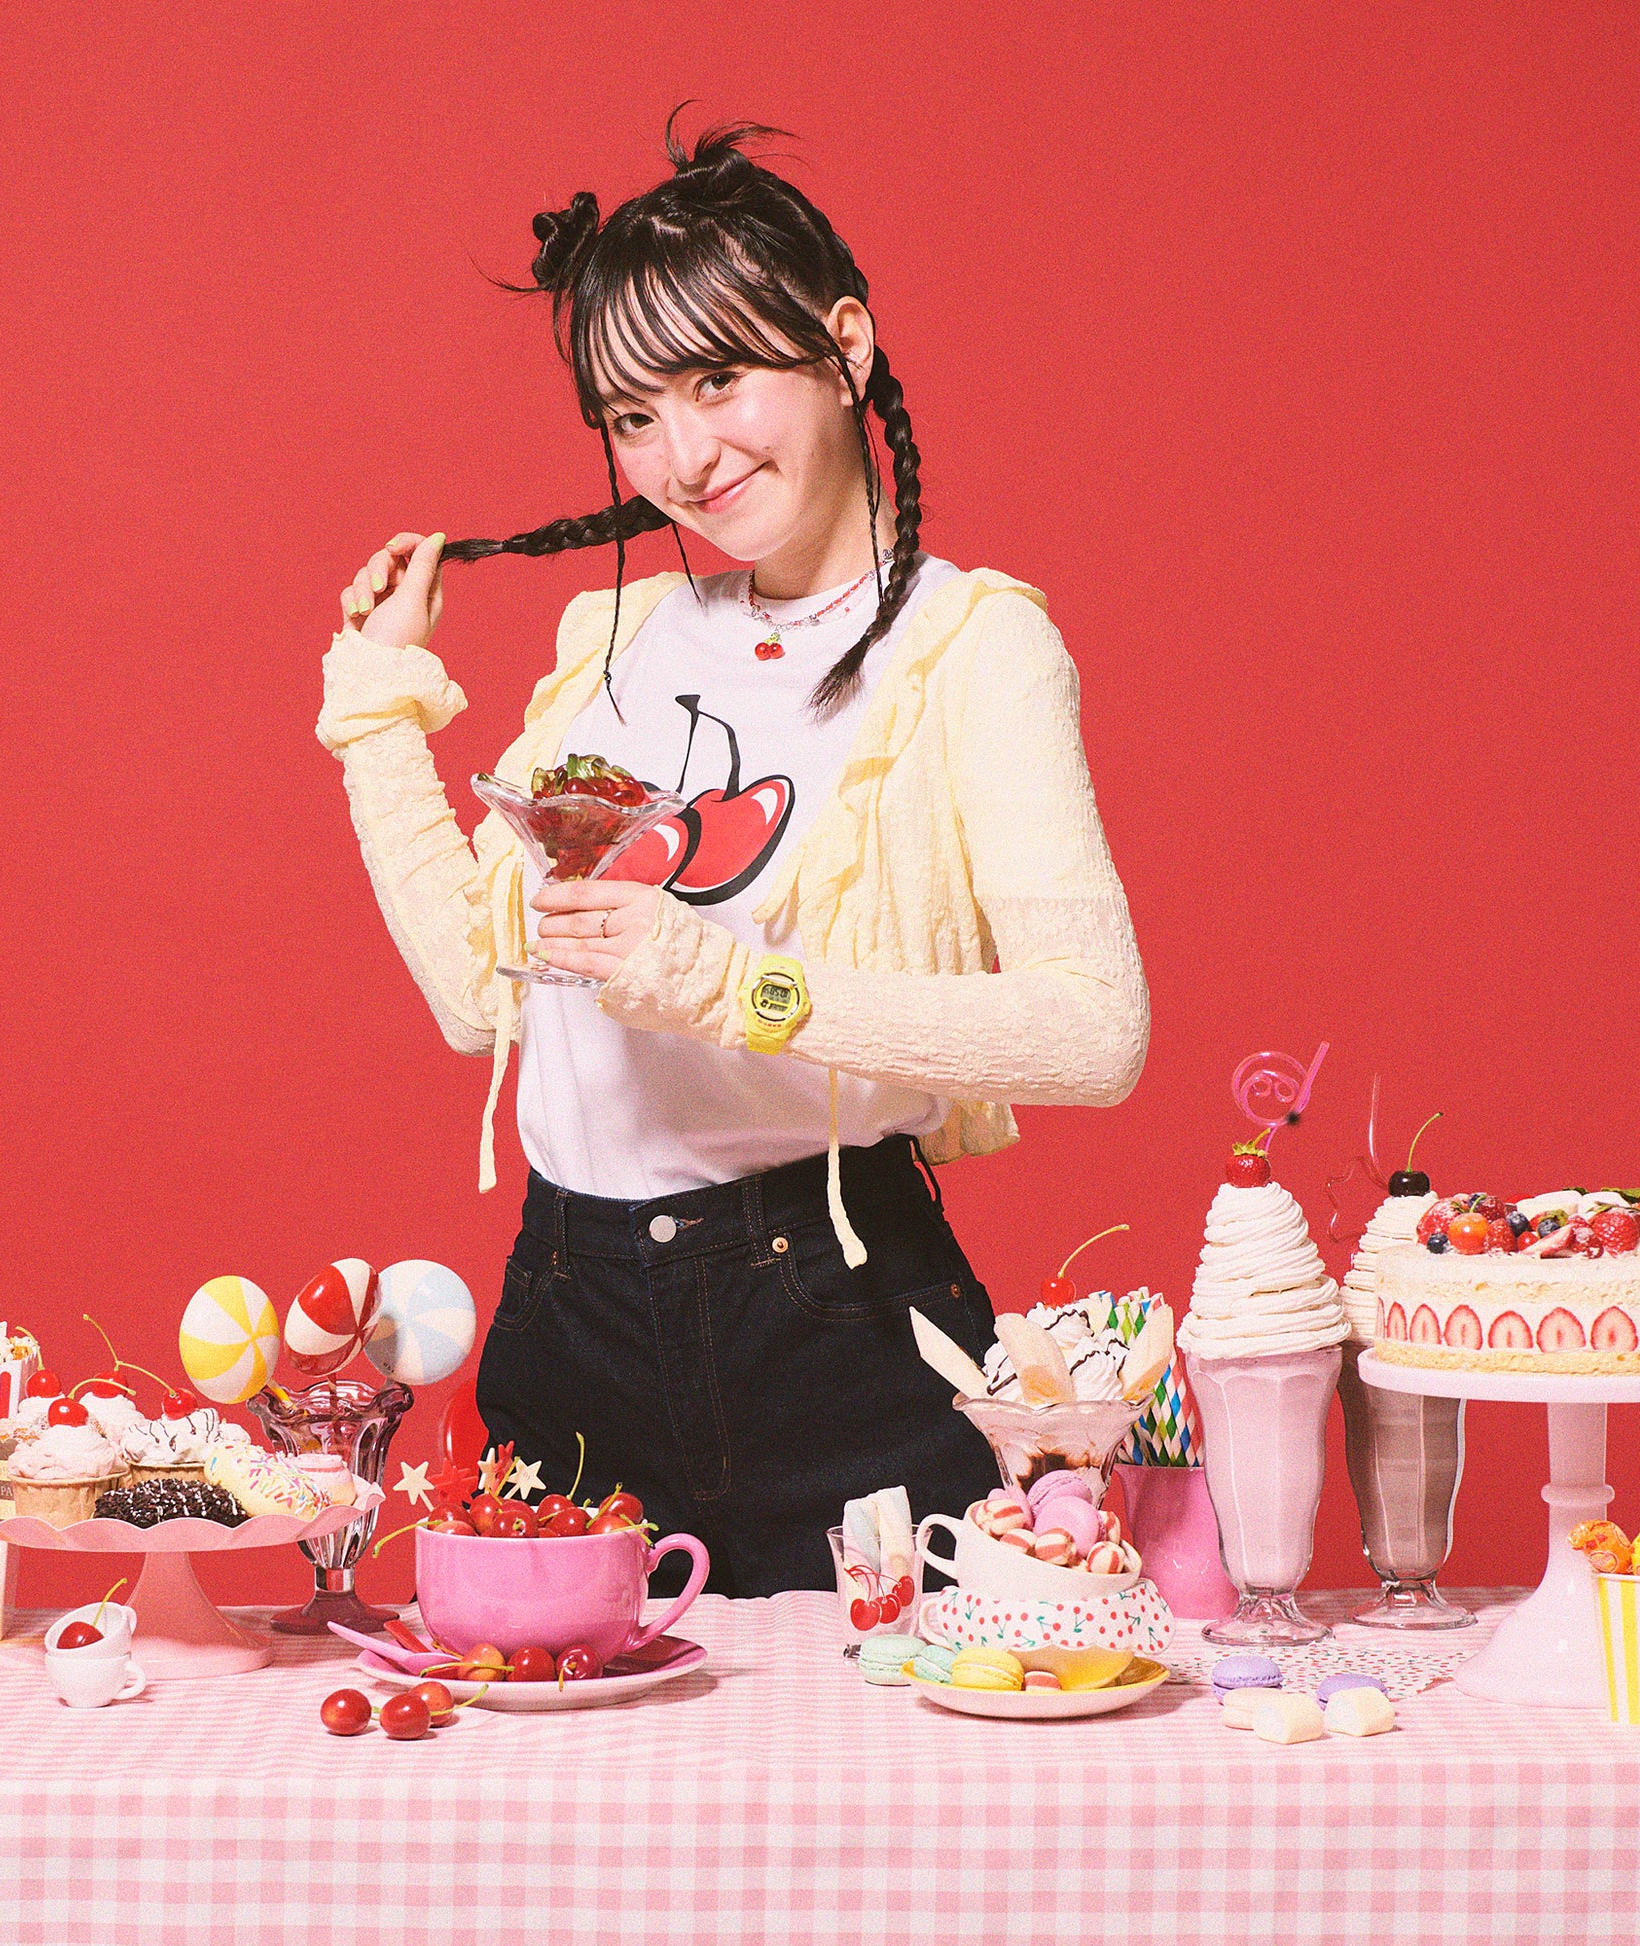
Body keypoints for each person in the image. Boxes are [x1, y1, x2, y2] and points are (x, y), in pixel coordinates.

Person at [317, 121, 1149, 1597]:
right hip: (566, 1305)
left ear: (842, 342)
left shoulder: (973, 648)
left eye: (718, 380)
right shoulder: (616, 643)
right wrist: (381, 707)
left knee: (897, 1781)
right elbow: (477, 1000)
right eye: (635, 417)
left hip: (828, 1313)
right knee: (539, 1787)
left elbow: (1094, 1027)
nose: (685, 456)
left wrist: (726, 984)